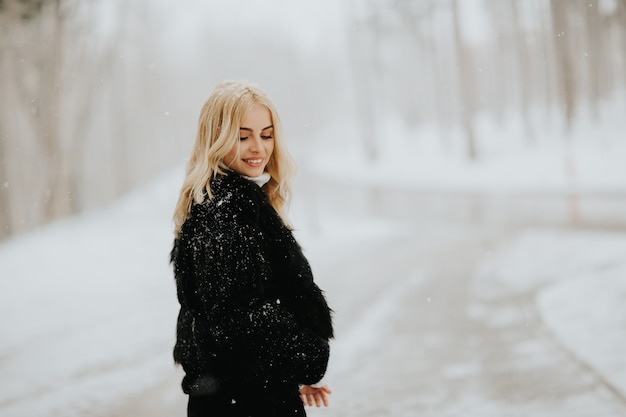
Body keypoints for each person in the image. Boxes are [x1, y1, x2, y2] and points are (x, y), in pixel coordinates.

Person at [170, 80, 334, 417]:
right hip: (246, 403)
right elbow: (240, 322)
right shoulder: (227, 212)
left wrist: (292, 375)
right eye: (243, 136)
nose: (257, 147)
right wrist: (308, 355)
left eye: (266, 134)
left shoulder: (230, 204)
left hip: (243, 396)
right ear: (216, 138)